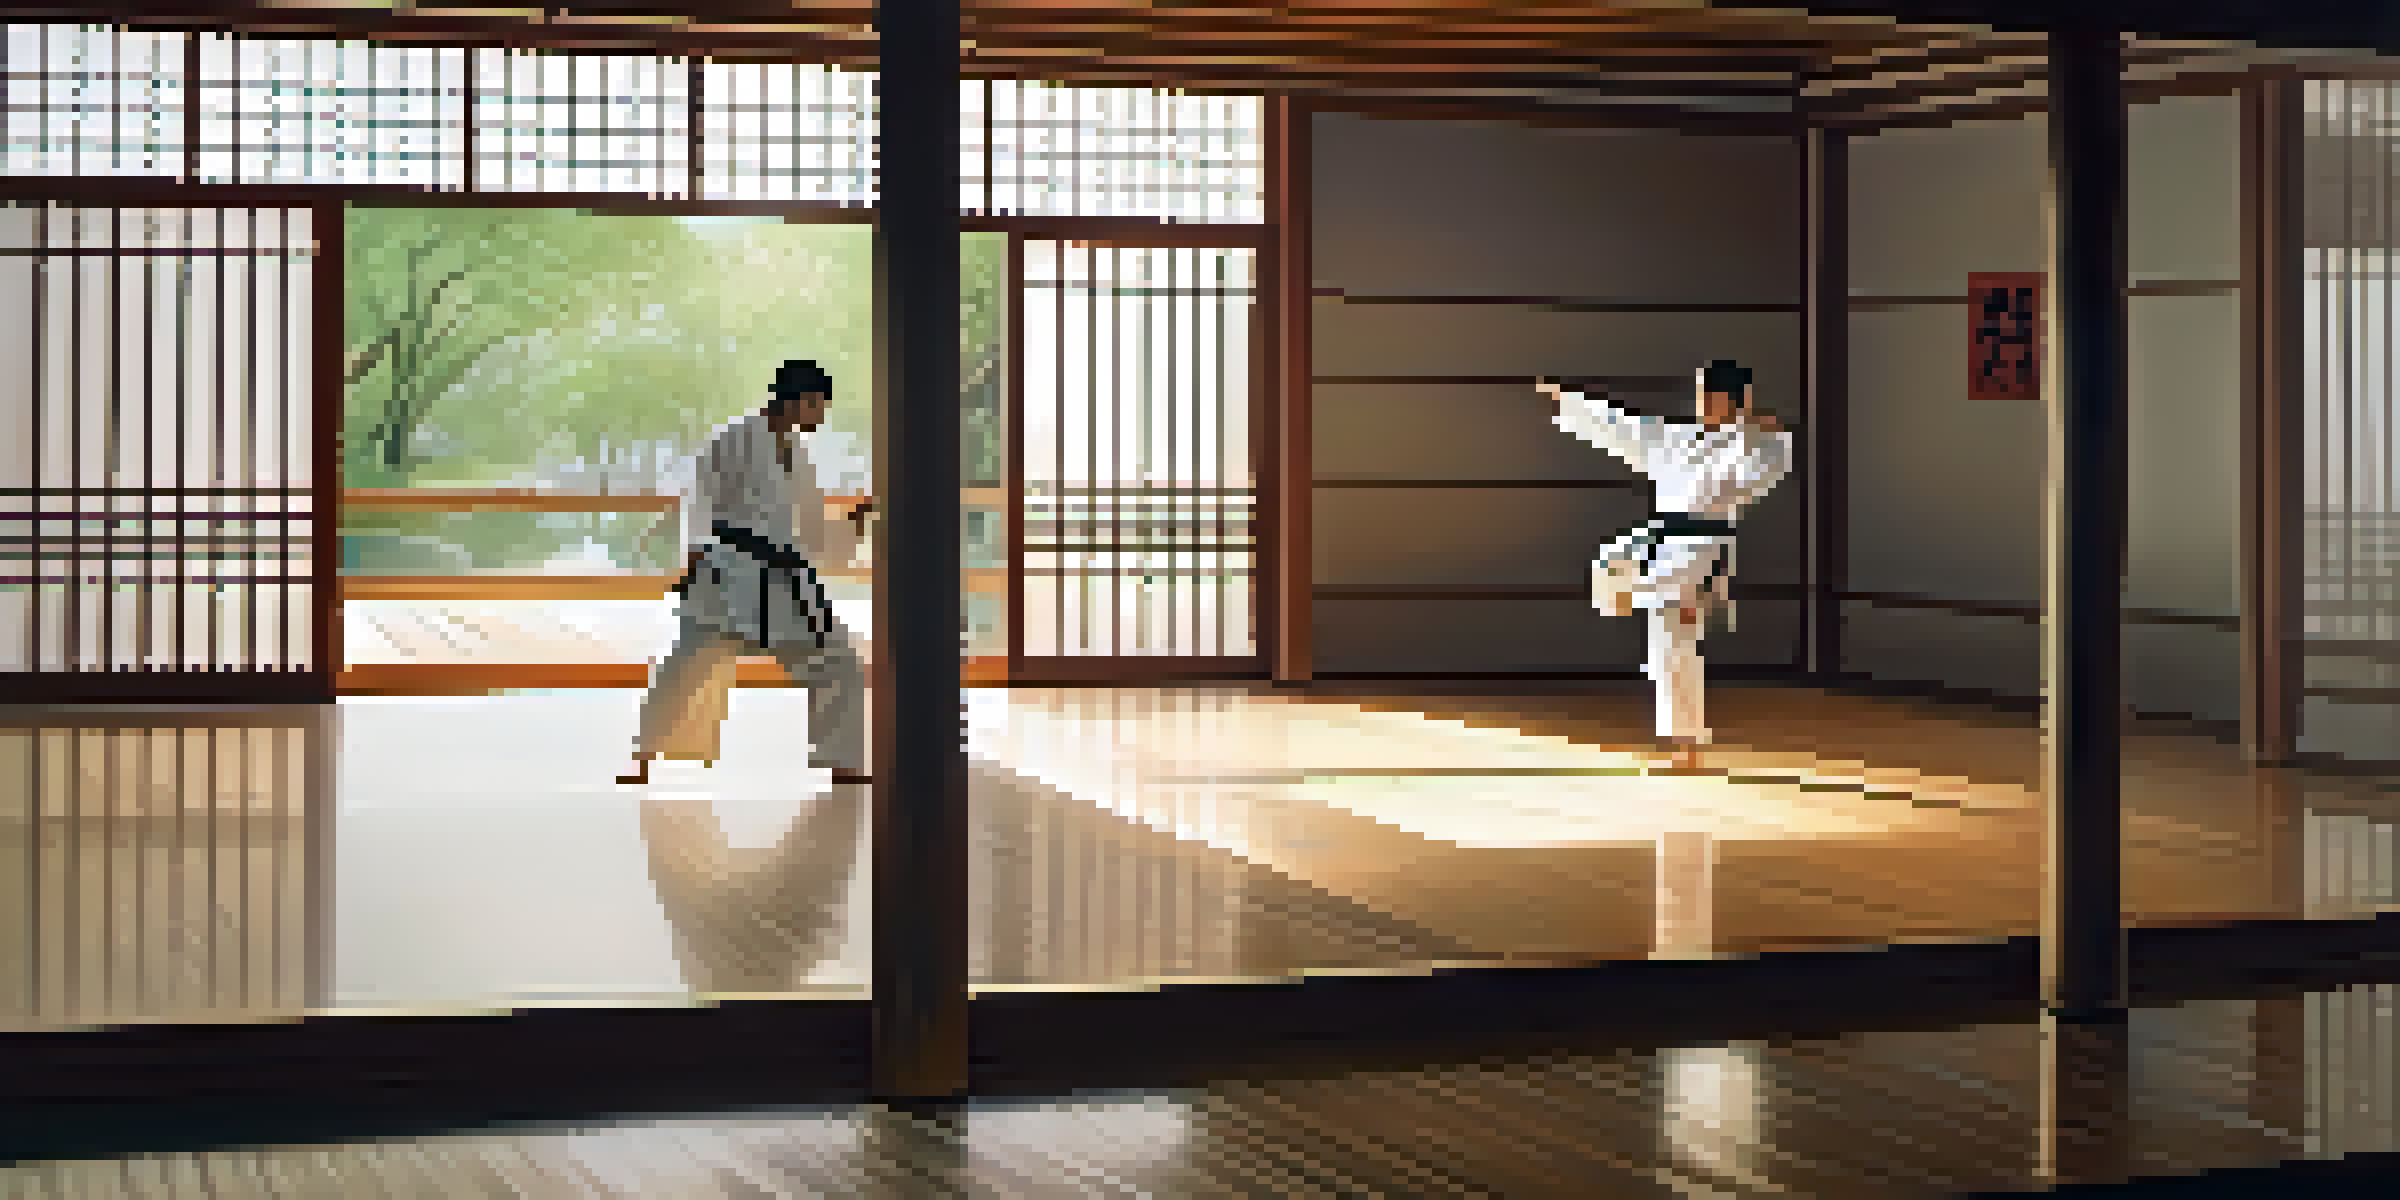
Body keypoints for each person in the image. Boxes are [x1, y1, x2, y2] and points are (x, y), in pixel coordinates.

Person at [619, 359, 876, 788]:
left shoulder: (796, 453)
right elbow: (699, 500)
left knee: (837, 658)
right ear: (801, 400)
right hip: (728, 572)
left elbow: (809, 526)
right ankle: (641, 760)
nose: (821, 416)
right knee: (685, 664)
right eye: (819, 406)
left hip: (782, 578)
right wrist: (695, 560)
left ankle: (843, 763)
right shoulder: (734, 438)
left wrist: (856, 519)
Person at [1541, 362, 1793, 771]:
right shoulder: (1676, 438)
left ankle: (1687, 746)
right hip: (1664, 543)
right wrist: (1571, 403)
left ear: (1733, 399)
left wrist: (1752, 428)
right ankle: (1683, 742)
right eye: (1700, 394)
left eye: (1710, 395)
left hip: (1701, 549)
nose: (1701, 403)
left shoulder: (1757, 443)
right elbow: (1625, 428)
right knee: (1625, 586)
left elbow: (1759, 474)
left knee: (1675, 641)